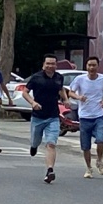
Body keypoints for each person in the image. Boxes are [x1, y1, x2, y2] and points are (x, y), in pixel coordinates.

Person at [68, 57, 103, 178]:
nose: (91, 68)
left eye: (94, 65)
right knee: (85, 146)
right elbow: (70, 92)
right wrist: (79, 97)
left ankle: (99, 160)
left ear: (98, 66)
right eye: (89, 65)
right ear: (86, 66)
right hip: (84, 116)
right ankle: (88, 168)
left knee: (100, 139)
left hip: (99, 115)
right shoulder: (80, 79)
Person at [25, 54, 68, 184]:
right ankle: (34, 146)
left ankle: (50, 170)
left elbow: (61, 89)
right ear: (43, 65)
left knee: (51, 144)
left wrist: (65, 99)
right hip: (38, 117)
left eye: (53, 63)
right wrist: (33, 103)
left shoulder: (59, 77)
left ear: (56, 65)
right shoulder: (36, 78)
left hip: (53, 116)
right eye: (48, 63)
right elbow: (25, 92)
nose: (50, 66)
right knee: (35, 141)